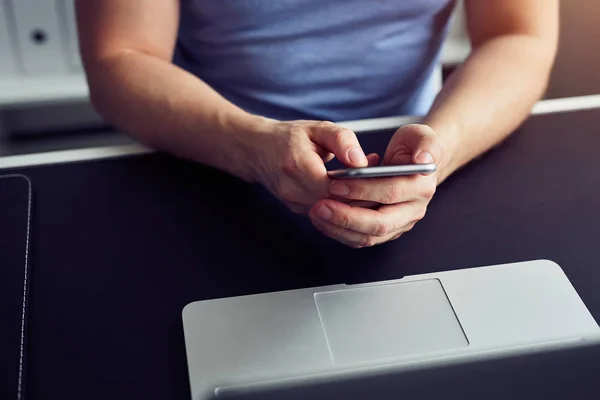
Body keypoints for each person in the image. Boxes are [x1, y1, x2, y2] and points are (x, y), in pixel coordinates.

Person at [76, 1, 558, 248]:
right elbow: (120, 58)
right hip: (210, 147)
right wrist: (251, 146)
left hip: (421, 146)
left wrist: (439, 152)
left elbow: (518, 34)